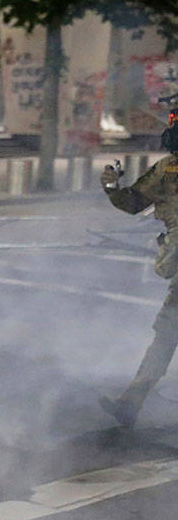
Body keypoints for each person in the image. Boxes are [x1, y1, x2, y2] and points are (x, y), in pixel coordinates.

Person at [98, 107, 178, 427]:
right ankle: (131, 403)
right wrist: (112, 188)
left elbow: (132, 203)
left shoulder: (168, 169)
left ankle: (131, 403)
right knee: (166, 334)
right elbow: (133, 202)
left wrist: (112, 188)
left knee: (166, 335)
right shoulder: (167, 169)